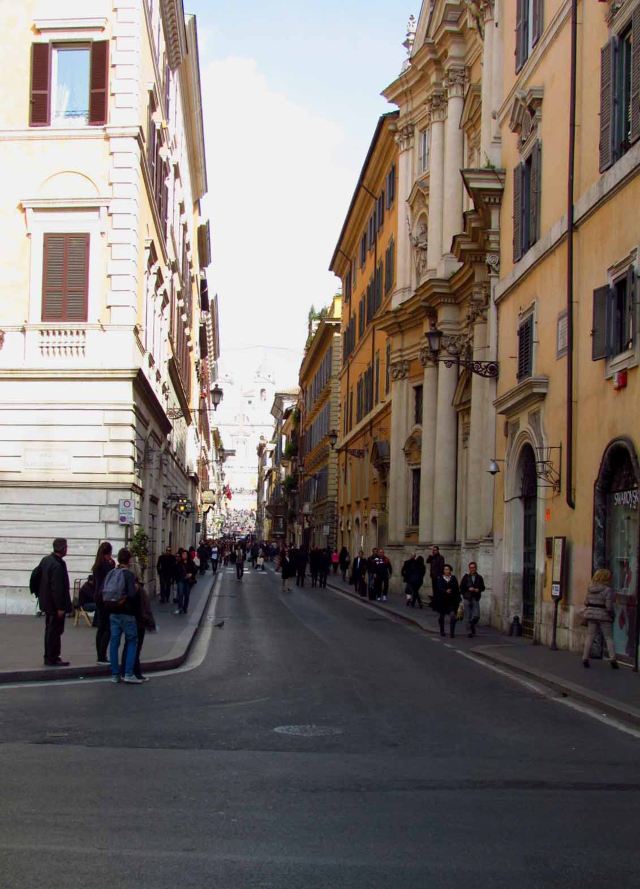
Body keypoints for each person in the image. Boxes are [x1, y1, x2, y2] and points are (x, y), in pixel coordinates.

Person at [104, 548, 143, 684]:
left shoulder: (112, 572)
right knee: (132, 641)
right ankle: (128, 673)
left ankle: (115, 674)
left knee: (114, 643)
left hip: (113, 612)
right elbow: (131, 595)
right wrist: (136, 588)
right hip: (127, 613)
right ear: (129, 560)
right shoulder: (129, 575)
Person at [34, 538, 72, 667]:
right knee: (55, 631)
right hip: (54, 605)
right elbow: (57, 588)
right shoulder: (57, 565)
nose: (67, 549)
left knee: (50, 630)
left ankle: (50, 656)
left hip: (46, 601)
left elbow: (36, 576)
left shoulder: (46, 560)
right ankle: (53, 657)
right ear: (63, 548)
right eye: (66, 547)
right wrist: (60, 607)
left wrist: (39, 593)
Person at [581, 568, 619, 669]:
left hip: (591, 614)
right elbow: (609, 606)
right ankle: (613, 659)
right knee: (608, 637)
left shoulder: (590, 588)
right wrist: (612, 615)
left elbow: (586, 602)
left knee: (590, 636)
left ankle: (585, 658)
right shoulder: (607, 590)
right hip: (604, 615)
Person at [121, 581, 155, 682]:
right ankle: (135, 672)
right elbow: (145, 609)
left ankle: (124, 671)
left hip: (127, 620)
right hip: (138, 622)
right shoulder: (139, 591)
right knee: (135, 648)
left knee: (127, 646)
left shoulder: (124, 589)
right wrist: (149, 622)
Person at [432, 563, 461, 638]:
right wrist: (445, 591)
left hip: (451, 601)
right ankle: (442, 631)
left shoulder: (453, 578)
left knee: (452, 616)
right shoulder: (440, 578)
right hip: (442, 601)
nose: (446, 571)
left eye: (448, 569)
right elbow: (439, 588)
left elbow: (457, 589)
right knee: (442, 617)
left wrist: (459, 599)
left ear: (450, 570)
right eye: (445, 569)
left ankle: (452, 633)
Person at [460, 561, 485, 638]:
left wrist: (478, 589)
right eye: (471, 568)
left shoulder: (479, 577)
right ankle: (469, 632)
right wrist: (468, 589)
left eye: (473, 567)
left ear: (476, 568)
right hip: (467, 597)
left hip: (475, 597)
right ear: (469, 568)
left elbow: (483, 587)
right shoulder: (466, 577)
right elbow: (461, 587)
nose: (472, 569)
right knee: (468, 615)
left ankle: (471, 625)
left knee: (476, 615)